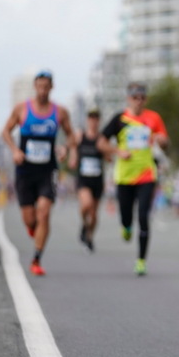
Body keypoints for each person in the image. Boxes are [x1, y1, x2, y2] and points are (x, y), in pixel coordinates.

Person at [1, 70, 77, 276]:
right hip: (25, 169)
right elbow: (5, 131)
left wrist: (65, 149)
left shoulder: (60, 112)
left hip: (47, 170)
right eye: (40, 86)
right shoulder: (22, 109)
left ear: (51, 88)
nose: (43, 90)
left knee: (44, 212)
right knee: (30, 219)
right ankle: (33, 228)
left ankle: (36, 259)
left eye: (46, 86)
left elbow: (72, 136)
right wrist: (15, 150)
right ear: (35, 87)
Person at [97, 82, 169, 276]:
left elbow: (164, 141)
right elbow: (101, 142)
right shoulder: (119, 119)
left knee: (144, 217)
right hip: (124, 176)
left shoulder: (153, 118)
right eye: (135, 97)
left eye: (142, 98)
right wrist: (117, 150)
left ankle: (141, 260)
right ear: (129, 98)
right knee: (127, 216)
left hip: (147, 174)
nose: (139, 101)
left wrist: (162, 142)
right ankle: (126, 226)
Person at [74, 108, 108, 253]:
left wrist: (107, 151)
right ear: (88, 121)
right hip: (83, 179)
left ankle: (89, 236)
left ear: (98, 122)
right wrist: (71, 156)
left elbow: (109, 158)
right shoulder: (80, 136)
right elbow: (72, 148)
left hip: (97, 180)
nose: (93, 122)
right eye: (91, 119)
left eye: (96, 119)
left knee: (94, 214)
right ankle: (83, 223)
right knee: (86, 205)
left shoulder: (101, 139)